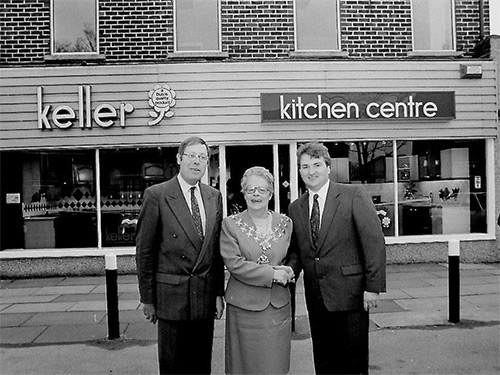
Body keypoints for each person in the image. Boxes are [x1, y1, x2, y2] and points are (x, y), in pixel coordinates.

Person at [286, 142, 386, 375]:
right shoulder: (296, 208)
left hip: (351, 296)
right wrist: (286, 272)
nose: (311, 171)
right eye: (305, 166)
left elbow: (373, 242)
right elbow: (297, 252)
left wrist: (373, 287)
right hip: (317, 298)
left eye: (317, 165)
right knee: (324, 361)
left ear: (328, 167)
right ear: (299, 171)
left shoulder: (353, 195)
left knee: (353, 362)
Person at [135, 136, 225, 375]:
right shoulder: (157, 195)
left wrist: (218, 293)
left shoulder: (214, 196)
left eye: (202, 157)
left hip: (204, 297)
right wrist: (148, 298)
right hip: (171, 298)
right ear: (179, 159)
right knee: (173, 365)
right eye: (191, 156)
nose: (197, 162)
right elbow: (145, 251)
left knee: (200, 365)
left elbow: (216, 251)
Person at [220, 166, 295, 375]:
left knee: (275, 365)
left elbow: (293, 255)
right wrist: (272, 274)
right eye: (251, 189)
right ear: (243, 193)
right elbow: (234, 263)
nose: (256, 194)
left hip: (277, 306)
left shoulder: (285, 223)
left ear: (270, 194)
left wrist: (289, 270)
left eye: (262, 190)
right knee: (244, 367)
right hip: (244, 309)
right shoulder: (230, 224)